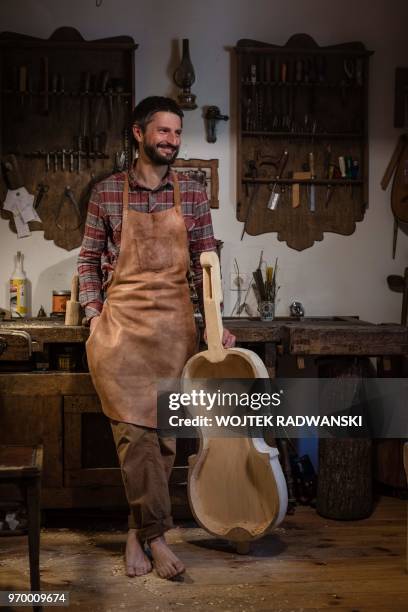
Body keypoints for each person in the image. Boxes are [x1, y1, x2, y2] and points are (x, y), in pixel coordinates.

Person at [77, 96, 235, 580]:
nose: (170, 140)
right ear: (139, 133)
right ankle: (158, 536)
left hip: (174, 330)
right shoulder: (106, 193)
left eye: (176, 133)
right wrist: (93, 314)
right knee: (134, 437)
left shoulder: (190, 193)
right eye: (162, 131)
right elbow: (88, 260)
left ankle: (136, 532)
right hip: (122, 331)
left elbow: (208, 261)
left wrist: (214, 320)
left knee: (164, 441)